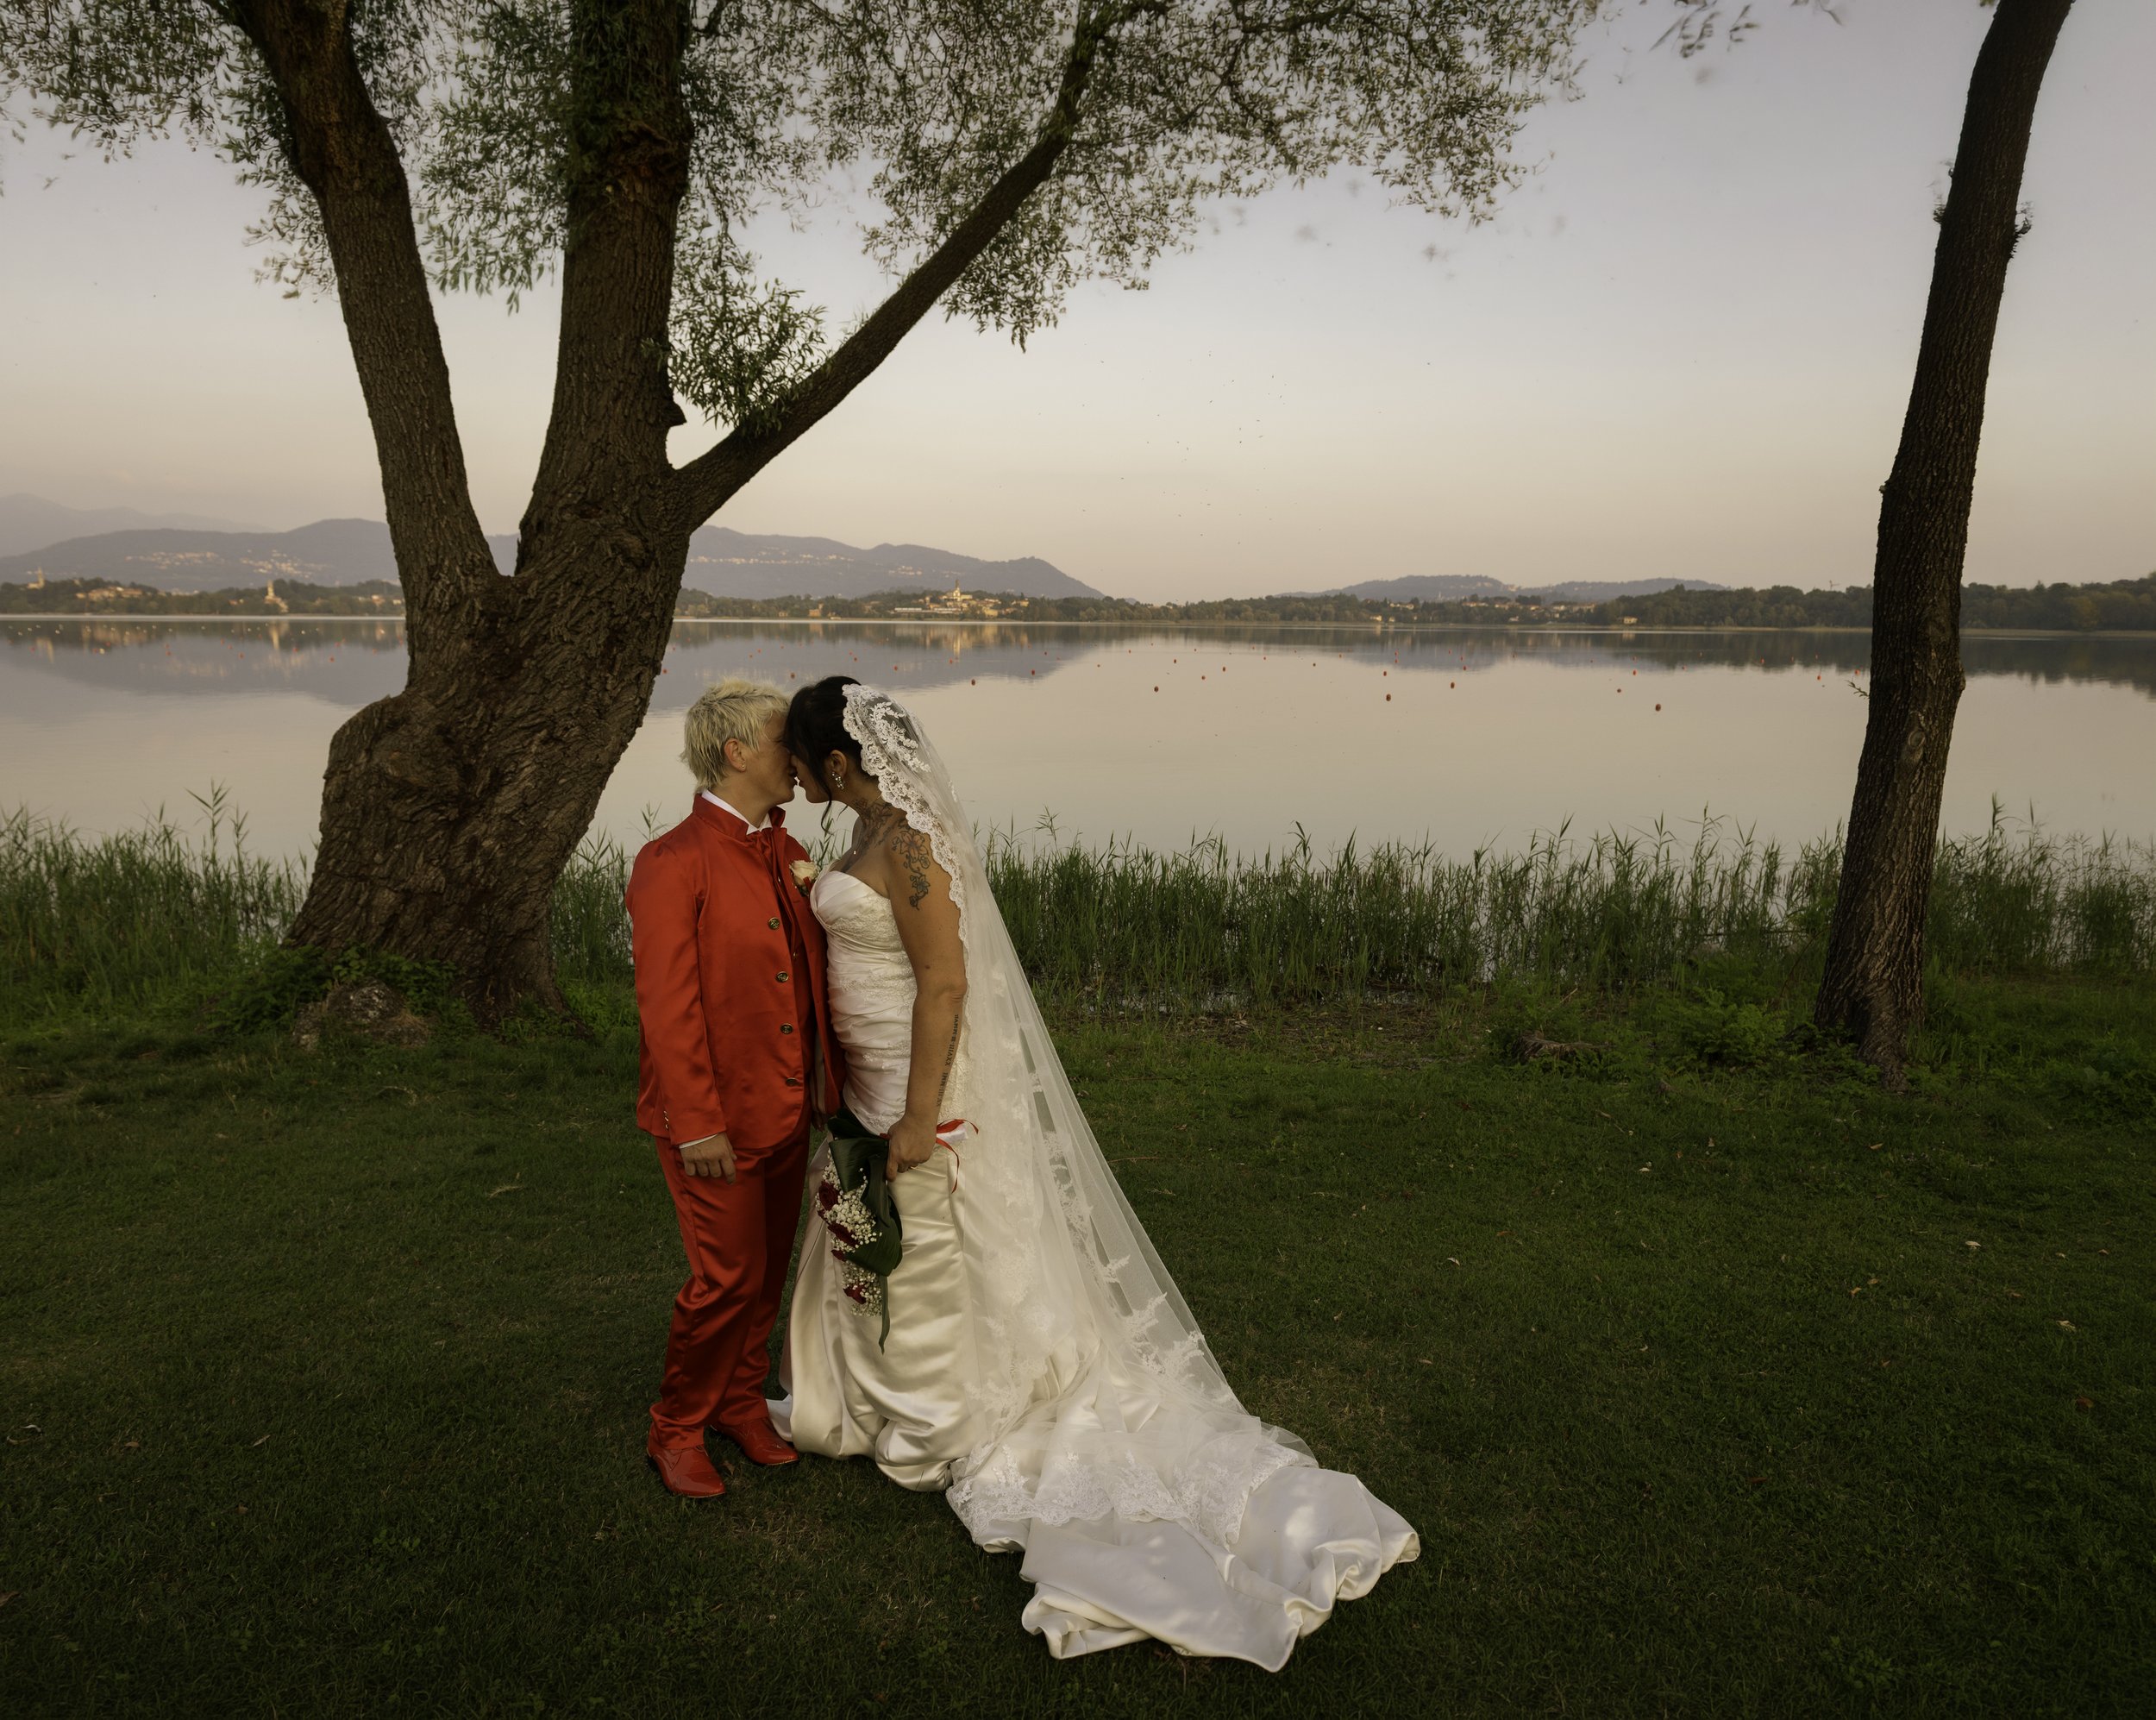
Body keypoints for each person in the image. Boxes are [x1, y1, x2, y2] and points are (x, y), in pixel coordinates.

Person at [772, 676, 1417, 1667]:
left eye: (806, 762)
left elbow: (943, 980)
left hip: (916, 1087)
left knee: (934, 1241)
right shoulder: (858, 835)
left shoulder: (907, 846)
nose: (799, 776)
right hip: (862, 1074)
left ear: (841, 762)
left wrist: (914, 1111)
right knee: (881, 1238)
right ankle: (884, 1391)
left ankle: (940, 1410)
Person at [624, 677, 844, 1498]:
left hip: (790, 1109)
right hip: (712, 1121)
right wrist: (694, 1126)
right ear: (736, 750)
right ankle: (676, 1426)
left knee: (767, 1270)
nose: (795, 753)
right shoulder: (671, 862)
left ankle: (741, 1403)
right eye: (780, 738)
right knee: (723, 1278)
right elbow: (668, 1012)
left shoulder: (788, 851)